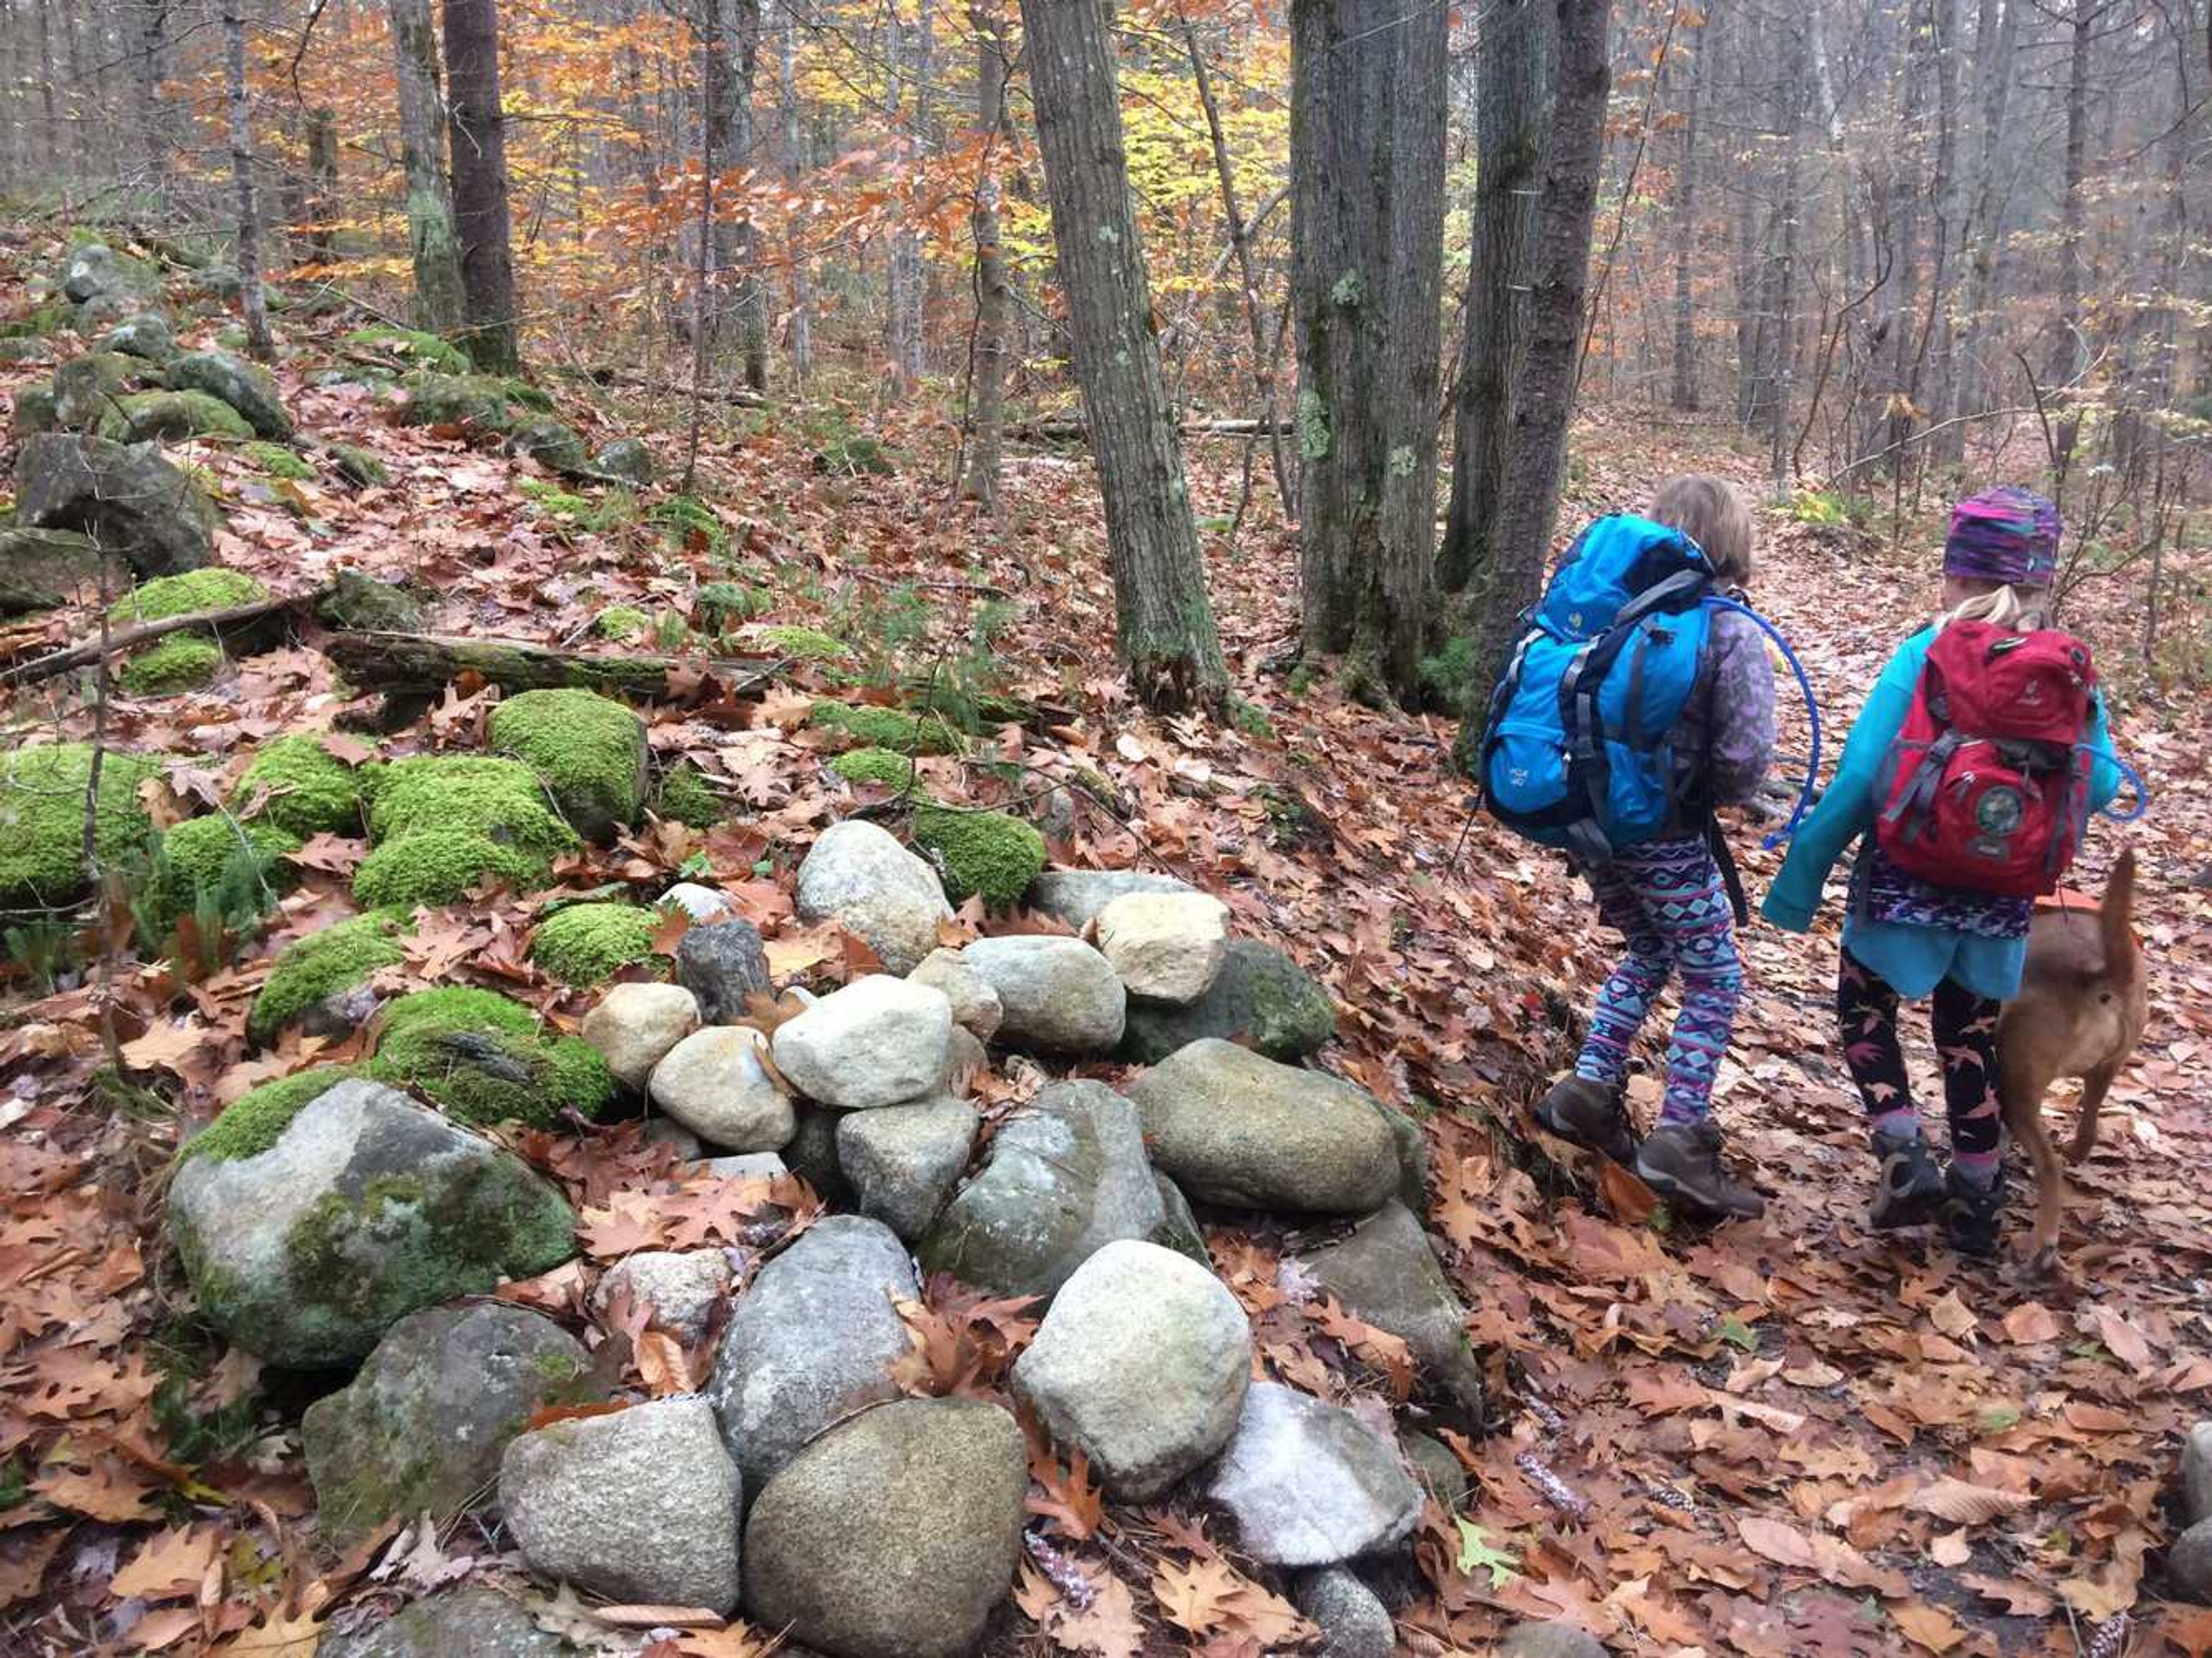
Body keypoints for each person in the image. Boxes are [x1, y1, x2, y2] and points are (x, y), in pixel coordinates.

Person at [1762, 485, 2120, 1256]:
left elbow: (1862, 776)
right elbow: (2105, 783)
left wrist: (1800, 878)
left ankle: (1902, 1153)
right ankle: (1981, 1200)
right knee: (1970, 1035)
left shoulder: (1925, 654)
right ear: (2040, 581)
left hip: (1902, 881)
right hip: (2001, 899)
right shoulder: (2067, 675)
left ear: (1958, 576)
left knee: (1865, 1012)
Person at [1533, 475, 1778, 1219]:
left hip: (1597, 826)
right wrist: (1742, 792)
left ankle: (1588, 1087)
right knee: (1715, 977)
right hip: (1666, 834)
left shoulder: (1615, 612)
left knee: (1650, 950)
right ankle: (1677, 1136)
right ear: (1736, 547)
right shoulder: (1727, 630)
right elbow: (1742, 760)